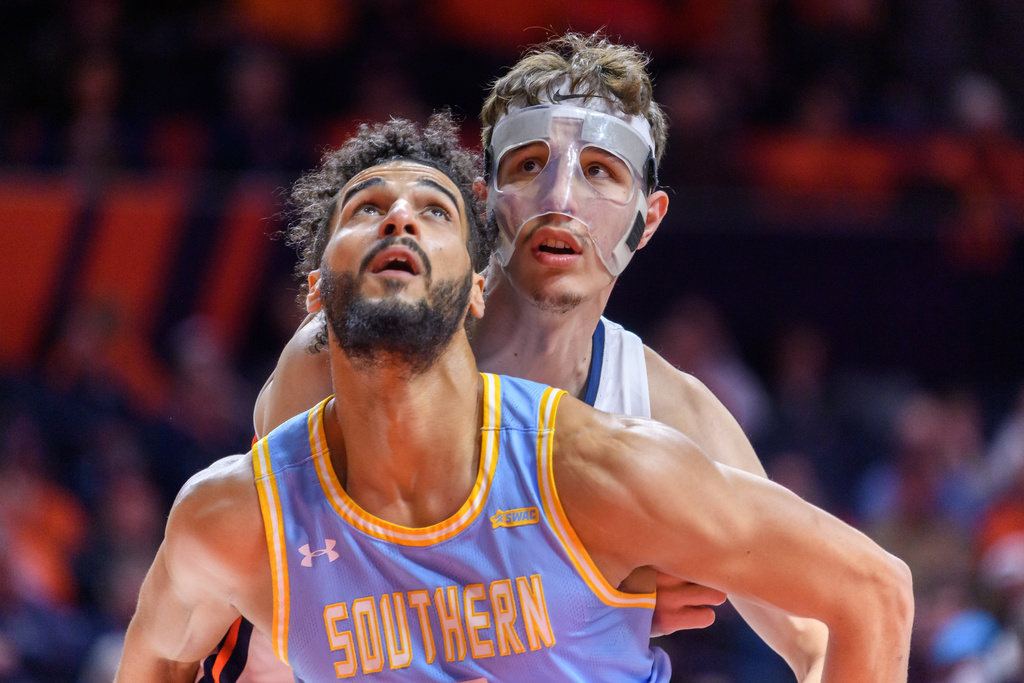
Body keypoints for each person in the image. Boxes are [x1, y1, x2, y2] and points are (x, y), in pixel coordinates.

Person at [116, 113, 913, 682]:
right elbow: (199, 639)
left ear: (473, 288)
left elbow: (868, 595)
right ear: (316, 288)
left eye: (433, 211)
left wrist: (600, 582)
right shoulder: (241, 505)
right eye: (367, 210)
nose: (398, 215)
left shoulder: (611, 459)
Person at [219, 33, 833, 683]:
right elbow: (281, 624)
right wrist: (575, 596)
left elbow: (821, 635)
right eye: (530, 164)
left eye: (600, 170)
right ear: (485, 198)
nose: (559, 200)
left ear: (647, 219)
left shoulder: (674, 411)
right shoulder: (346, 350)